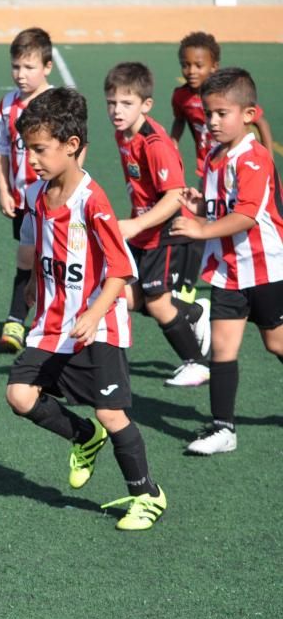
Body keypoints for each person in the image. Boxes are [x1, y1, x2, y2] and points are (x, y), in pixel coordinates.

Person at [5, 87, 167, 531]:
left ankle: (147, 494)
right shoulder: (40, 195)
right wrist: (36, 291)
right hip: (53, 321)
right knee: (20, 396)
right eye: (28, 149)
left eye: (40, 149)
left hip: (96, 325)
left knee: (112, 412)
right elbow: (42, 250)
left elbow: (119, 268)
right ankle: (83, 437)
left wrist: (94, 313)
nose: (32, 159)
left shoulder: (92, 201)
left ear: (71, 145)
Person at [171, 68, 283, 455]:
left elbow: (247, 216)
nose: (212, 122)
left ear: (249, 114)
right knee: (222, 349)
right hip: (228, 272)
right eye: (208, 114)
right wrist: (203, 206)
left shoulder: (253, 159)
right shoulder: (217, 156)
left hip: (266, 270)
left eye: (222, 114)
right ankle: (223, 429)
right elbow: (226, 207)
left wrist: (202, 228)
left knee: (276, 342)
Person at [104, 62, 211, 387]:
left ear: (146, 105)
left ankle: (198, 363)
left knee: (157, 301)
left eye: (126, 103)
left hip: (168, 230)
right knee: (127, 296)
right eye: (111, 103)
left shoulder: (155, 144)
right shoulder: (123, 134)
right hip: (146, 228)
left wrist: (136, 226)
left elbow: (174, 196)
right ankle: (193, 314)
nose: (117, 110)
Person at [171, 32, 275, 303]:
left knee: (213, 224)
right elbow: (180, 121)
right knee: (203, 218)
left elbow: (260, 121)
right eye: (186, 64)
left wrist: (267, 155)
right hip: (210, 168)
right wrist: (172, 146)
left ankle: (187, 286)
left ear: (213, 65)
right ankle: (187, 285)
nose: (191, 70)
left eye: (198, 64)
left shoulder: (231, 95)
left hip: (238, 169)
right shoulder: (181, 97)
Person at [0, 28, 56, 353]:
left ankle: (26, 320)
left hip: (53, 200)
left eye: (29, 67)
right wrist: (3, 189)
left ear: (47, 67)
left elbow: (78, 150)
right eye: (16, 67)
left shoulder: (56, 104)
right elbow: (1, 150)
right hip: (21, 200)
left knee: (51, 259)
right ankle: (18, 322)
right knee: (28, 256)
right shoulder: (7, 105)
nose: (21, 74)